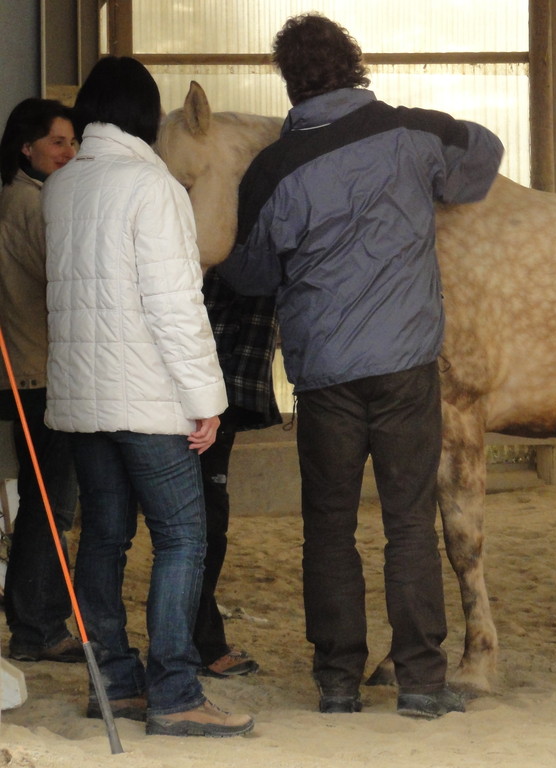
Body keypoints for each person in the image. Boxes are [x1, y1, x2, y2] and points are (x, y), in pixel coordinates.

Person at [217, 13, 504, 719]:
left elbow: (247, 273)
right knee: (408, 522)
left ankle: (338, 682)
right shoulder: (411, 131)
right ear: (354, 65)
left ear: (290, 82)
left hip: (323, 376)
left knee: (328, 527)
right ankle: (422, 682)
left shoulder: (273, 169)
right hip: (405, 365)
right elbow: (484, 155)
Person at [42, 56, 253, 737]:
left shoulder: (62, 187)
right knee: (183, 537)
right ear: (145, 115)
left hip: (82, 398)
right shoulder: (153, 186)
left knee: (104, 537)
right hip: (147, 398)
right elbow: (174, 305)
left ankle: (115, 684)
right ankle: (175, 692)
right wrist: (206, 397)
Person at [0, 99, 82, 664]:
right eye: (57, 142)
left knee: (43, 499)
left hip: (29, 368)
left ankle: (37, 622)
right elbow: (63, 279)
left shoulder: (19, 196)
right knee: (51, 503)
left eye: (72, 142)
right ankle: (38, 626)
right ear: (26, 146)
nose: (68, 152)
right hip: (39, 371)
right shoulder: (30, 203)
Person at [193, 269, 280, 678]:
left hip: (207, 395)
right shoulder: (237, 259)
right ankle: (202, 645)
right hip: (205, 397)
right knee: (202, 530)